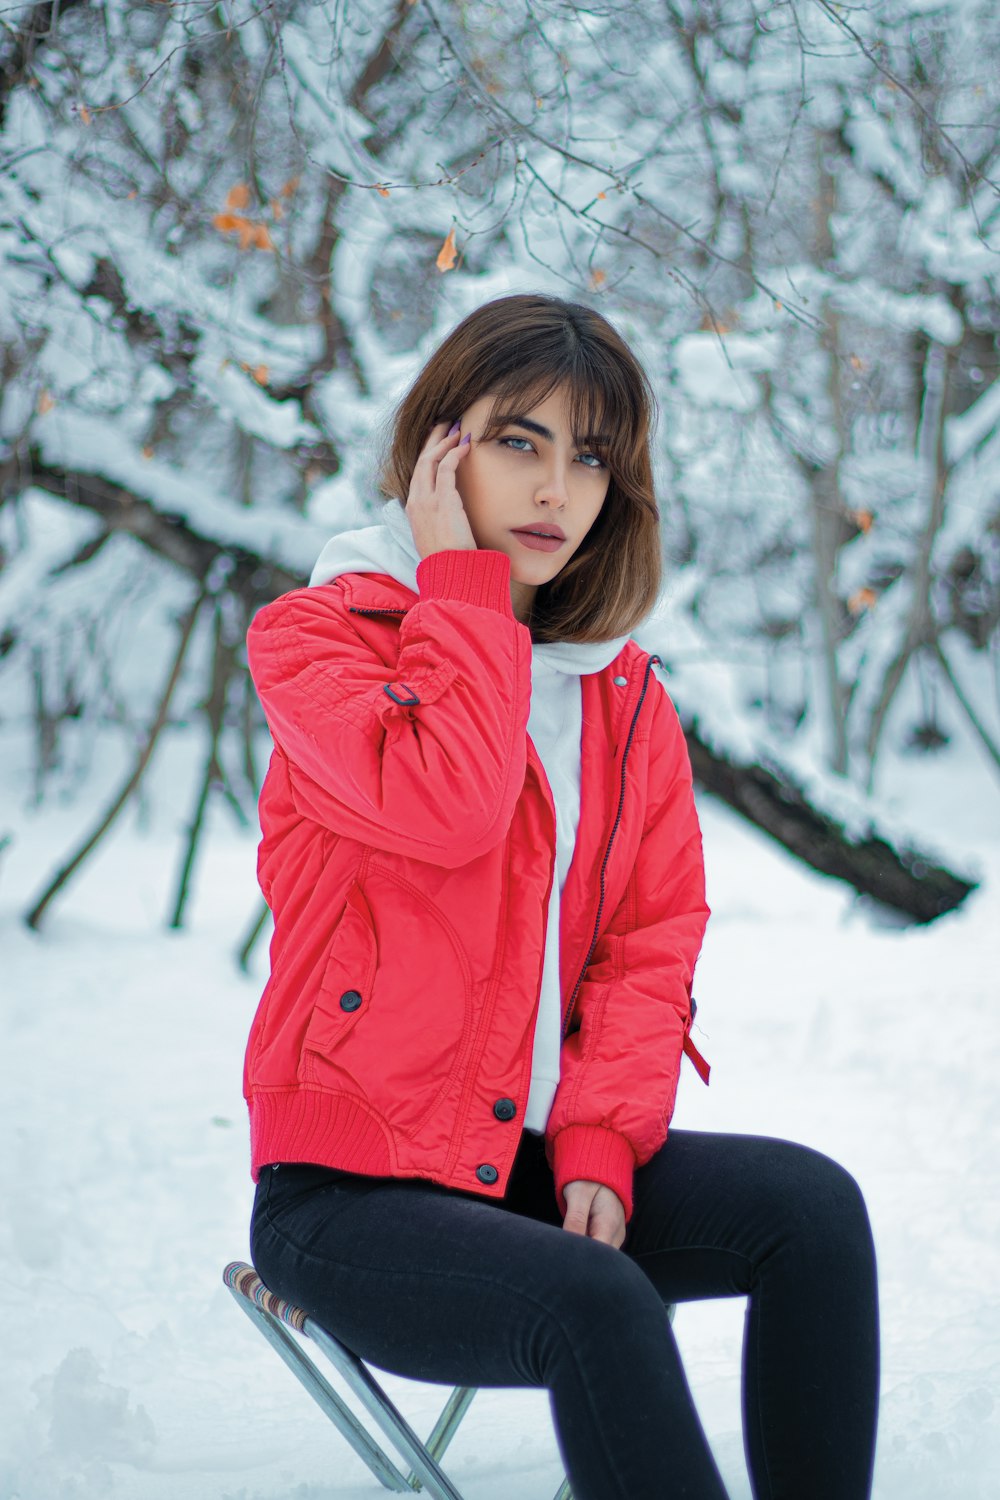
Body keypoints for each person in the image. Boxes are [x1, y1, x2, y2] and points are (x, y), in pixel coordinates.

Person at [243, 293, 879, 1500]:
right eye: (519, 440)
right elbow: (451, 806)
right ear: (442, 447)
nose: (555, 489)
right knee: (598, 1299)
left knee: (810, 1210)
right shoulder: (314, 645)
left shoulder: (624, 699)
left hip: (525, 1162)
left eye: (589, 456)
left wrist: (597, 1141)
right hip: (352, 1193)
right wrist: (462, 589)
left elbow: (647, 946)